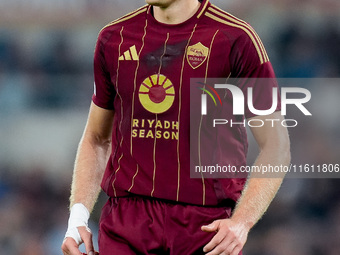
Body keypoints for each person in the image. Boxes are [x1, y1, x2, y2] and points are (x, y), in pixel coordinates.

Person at [61, 0, 290, 254]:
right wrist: (78, 217)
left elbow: (276, 145)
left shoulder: (235, 38)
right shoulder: (114, 38)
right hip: (126, 223)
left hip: (206, 228)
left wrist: (241, 222)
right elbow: (96, 138)